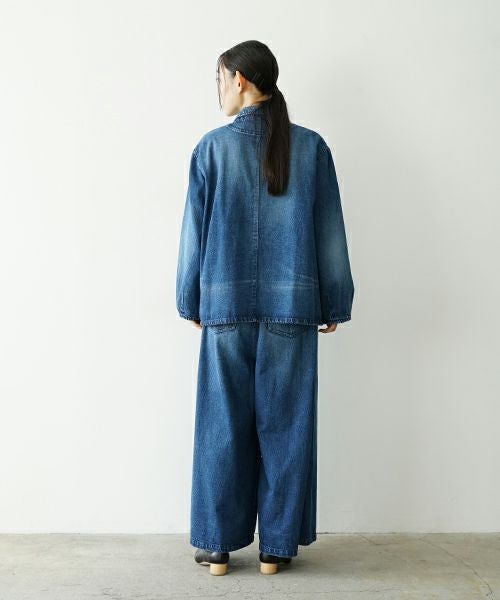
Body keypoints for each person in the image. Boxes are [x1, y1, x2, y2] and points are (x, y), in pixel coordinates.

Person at [175, 40, 354, 576]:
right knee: (286, 426)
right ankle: (276, 548)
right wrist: (335, 299)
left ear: (240, 80)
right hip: (292, 307)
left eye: (219, 78)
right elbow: (329, 232)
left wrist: (189, 296)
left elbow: (193, 235)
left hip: (225, 307)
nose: (218, 90)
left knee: (222, 425)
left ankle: (217, 547)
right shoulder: (312, 148)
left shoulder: (211, 150)